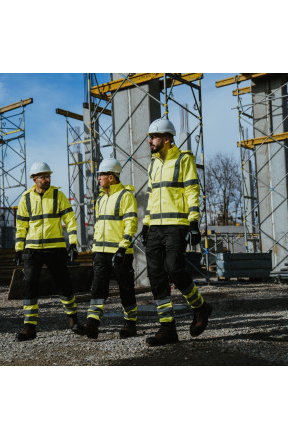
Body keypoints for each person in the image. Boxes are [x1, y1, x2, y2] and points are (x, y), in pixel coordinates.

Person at [141, 118, 212, 346]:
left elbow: (192, 191)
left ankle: (200, 307)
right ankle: (167, 328)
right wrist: (146, 223)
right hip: (155, 227)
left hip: (176, 226)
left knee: (174, 270)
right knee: (156, 277)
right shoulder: (153, 164)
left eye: (154, 137)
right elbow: (152, 196)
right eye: (150, 137)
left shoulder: (184, 159)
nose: (150, 141)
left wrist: (194, 223)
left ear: (166, 139)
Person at [14, 161, 82, 341]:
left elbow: (70, 220)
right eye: (43, 177)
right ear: (34, 179)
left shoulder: (58, 196)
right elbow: (21, 226)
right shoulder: (25, 199)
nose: (47, 179)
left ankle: (74, 320)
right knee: (29, 285)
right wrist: (18, 249)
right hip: (33, 250)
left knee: (64, 284)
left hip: (56, 248)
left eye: (48, 176)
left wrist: (73, 244)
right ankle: (29, 327)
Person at [77, 158, 138, 339]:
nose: (98, 178)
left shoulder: (126, 196)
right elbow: (99, 226)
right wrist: (96, 249)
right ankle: (92, 324)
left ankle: (130, 324)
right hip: (101, 252)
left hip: (120, 253)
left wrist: (123, 248)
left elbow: (131, 224)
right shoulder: (101, 198)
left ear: (111, 177)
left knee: (126, 289)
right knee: (97, 288)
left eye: (101, 175)